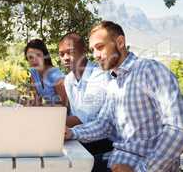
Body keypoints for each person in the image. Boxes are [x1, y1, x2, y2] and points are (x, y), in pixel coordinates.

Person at [65, 21, 183, 172]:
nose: (95, 55)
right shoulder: (114, 82)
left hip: (143, 164)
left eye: (100, 47)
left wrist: (142, 169)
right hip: (116, 158)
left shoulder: (150, 70)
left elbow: (177, 128)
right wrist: (72, 132)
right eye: (92, 50)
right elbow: (104, 124)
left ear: (120, 42)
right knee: (66, 166)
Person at [59, 32, 113, 172]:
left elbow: (83, 118)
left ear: (83, 51)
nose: (65, 58)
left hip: (103, 141)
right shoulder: (68, 79)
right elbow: (73, 114)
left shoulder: (99, 75)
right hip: (79, 137)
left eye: (69, 52)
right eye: (61, 54)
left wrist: (49, 125)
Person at [24, 39, 68, 106]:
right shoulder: (33, 73)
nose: (34, 60)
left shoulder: (56, 76)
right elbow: (37, 101)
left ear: (44, 56)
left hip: (64, 114)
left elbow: (65, 106)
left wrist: (45, 109)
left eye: (38, 55)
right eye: (30, 57)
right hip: (47, 113)